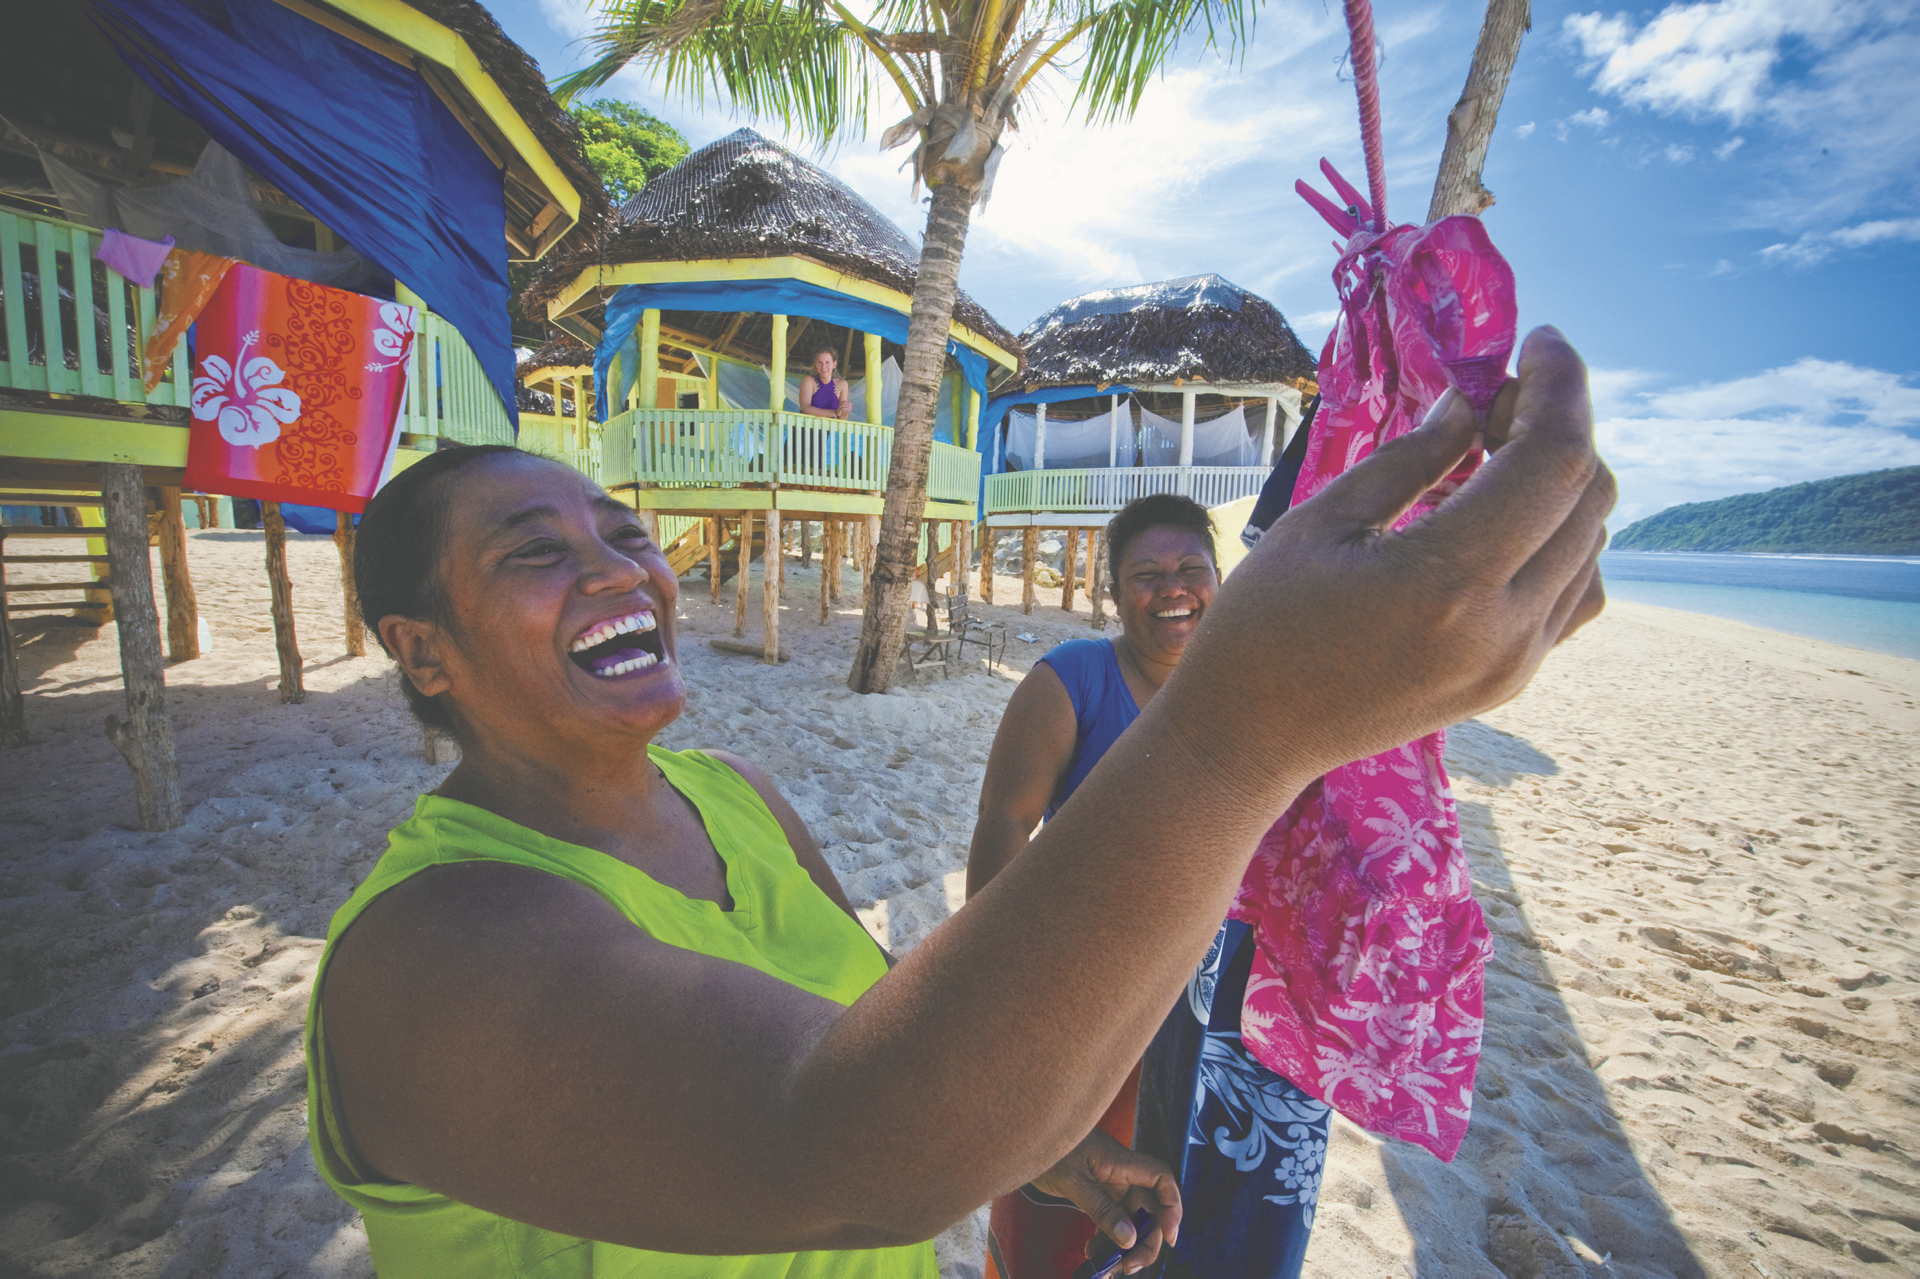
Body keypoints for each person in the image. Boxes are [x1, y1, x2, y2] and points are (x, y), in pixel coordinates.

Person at [305, 327, 1612, 1277]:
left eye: (623, 532)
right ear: (422, 651)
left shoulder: (730, 795)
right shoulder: (426, 953)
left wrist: (1039, 1146)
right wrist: (1248, 727)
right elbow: (837, 1140)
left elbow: (869, 1024)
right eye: (537, 554)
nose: (618, 571)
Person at [968, 494, 1329, 1279]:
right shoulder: (1074, 681)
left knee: (1193, 1226)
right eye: (1146, 574)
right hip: (1089, 1013)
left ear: (1220, 581)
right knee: (1066, 1221)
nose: (1173, 587)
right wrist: (999, 997)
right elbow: (1003, 824)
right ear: (1113, 592)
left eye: (1191, 567)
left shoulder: (1259, 695)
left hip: (1221, 1027)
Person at [798, 347, 851, 420]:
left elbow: (842, 418)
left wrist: (845, 410)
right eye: (820, 363)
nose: (823, 367)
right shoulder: (808, 381)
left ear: (834, 364)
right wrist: (835, 413)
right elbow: (805, 409)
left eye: (827, 363)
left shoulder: (842, 384)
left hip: (831, 427)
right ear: (815, 364)